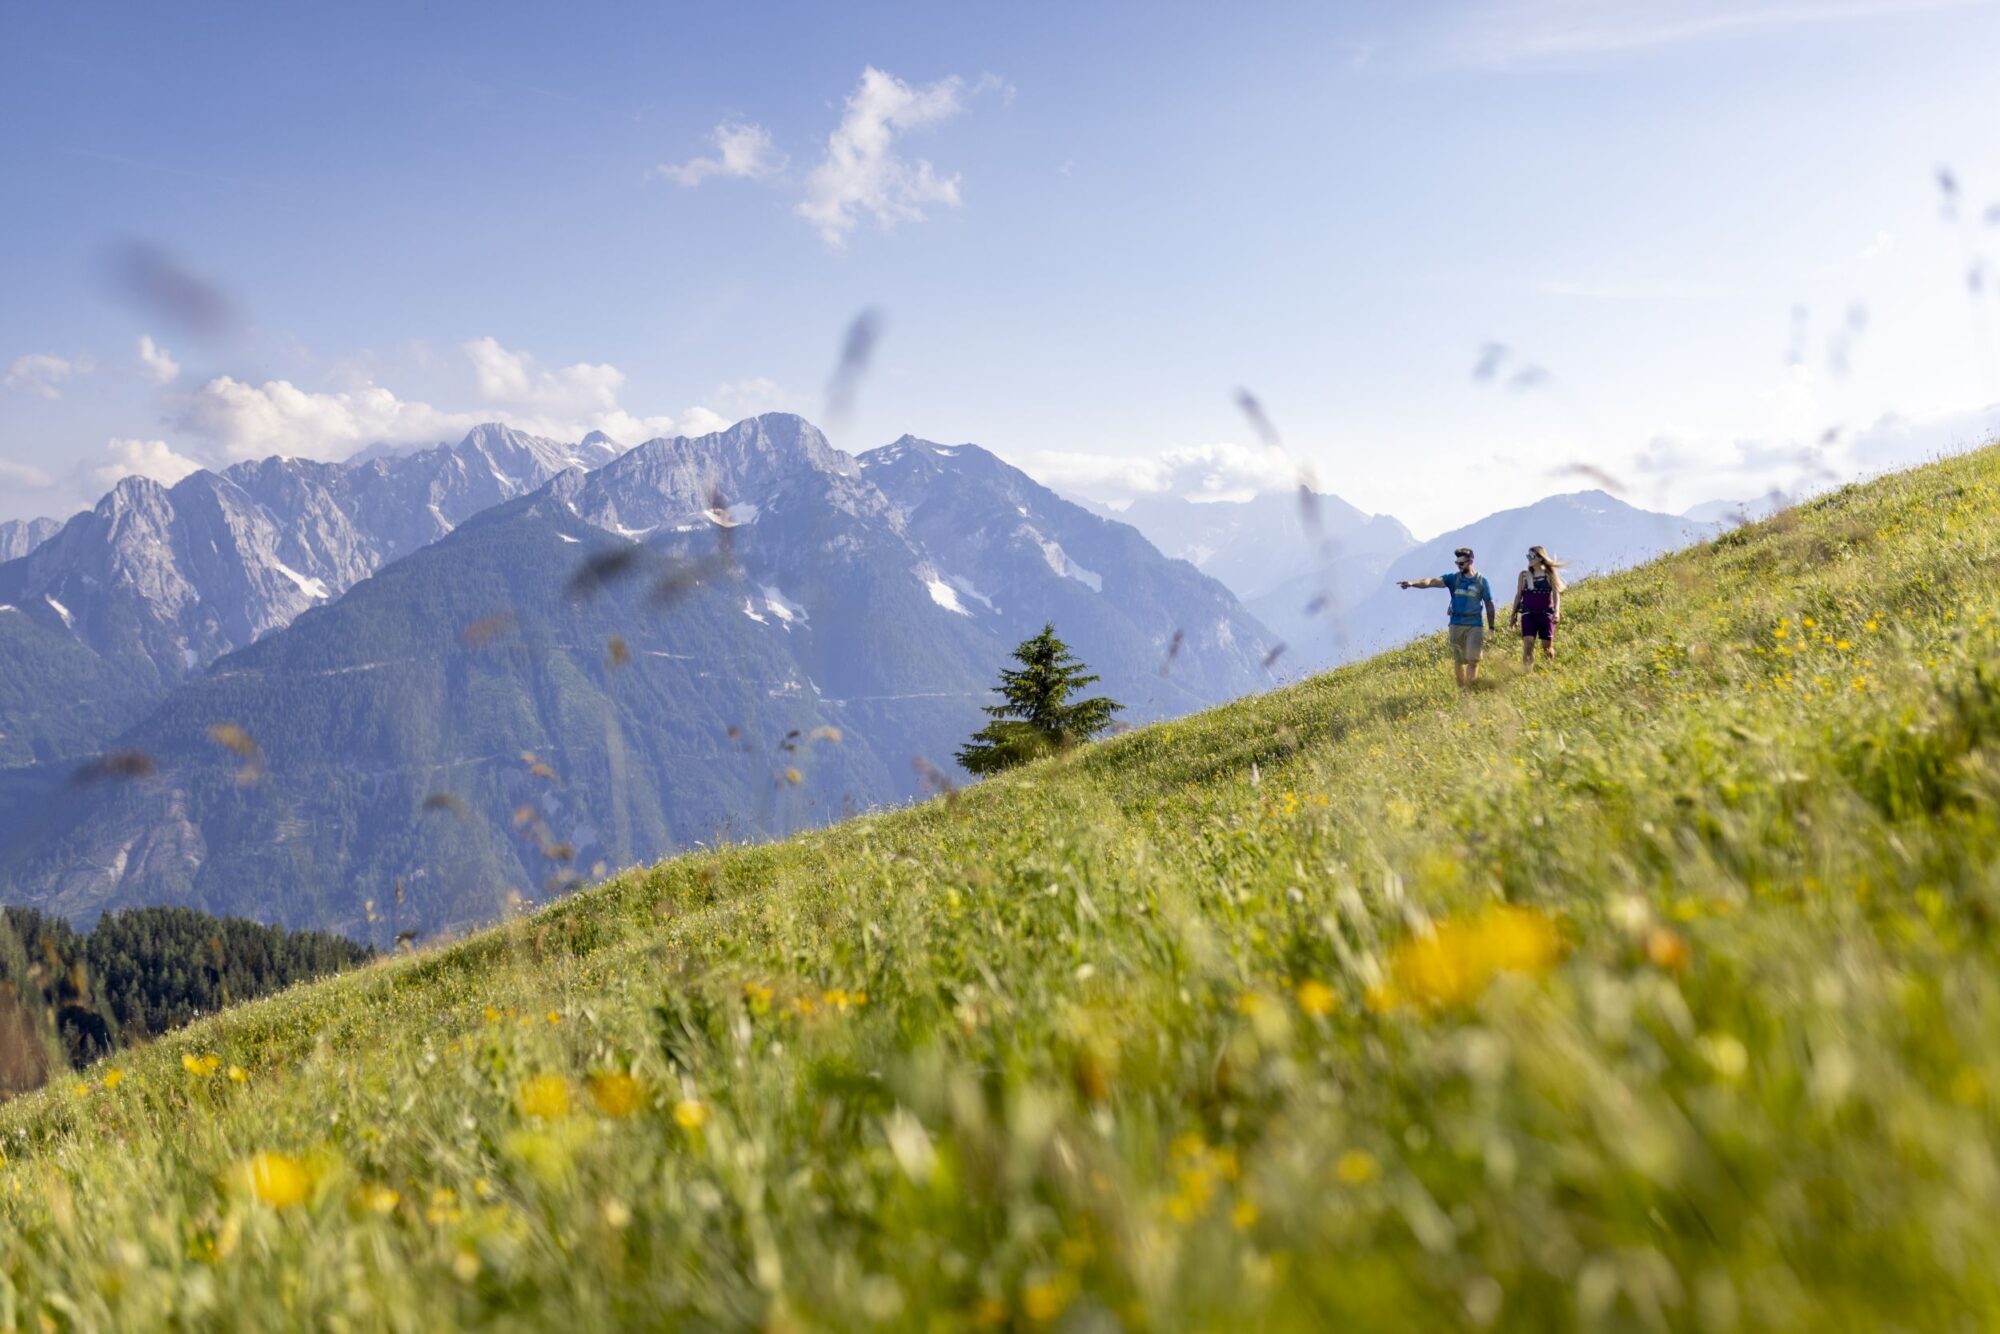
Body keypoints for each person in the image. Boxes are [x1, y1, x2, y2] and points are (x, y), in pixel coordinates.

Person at [1399, 546, 1496, 687]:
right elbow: (1430, 581)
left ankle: (1470, 690)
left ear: (1471, 561)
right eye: (1457, 563)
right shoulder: (1453, 578)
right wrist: (1412, 583)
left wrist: (1492, 627)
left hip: (1475, 624)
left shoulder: (1482, 581)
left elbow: (1489, 603)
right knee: (1459, 661)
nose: (1459, 566)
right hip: (1456, 623)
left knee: (1473, 660)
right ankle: (1462, 688)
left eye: (1461, 563)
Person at [1510, 545, 1566, 670]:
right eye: (1528, 556)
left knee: (1547, 647)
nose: (1529, 558)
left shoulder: (1549, 574)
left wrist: (1556, 611)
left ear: (1540, 558)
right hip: (1528, 614)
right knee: (1528, 644)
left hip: (1545, 614)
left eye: (1532, 556)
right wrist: (1513, 615)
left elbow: (1556, 594)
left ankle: (1548, 668)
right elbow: (1518, 595)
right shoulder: (1524, 575)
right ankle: (1527, 673)